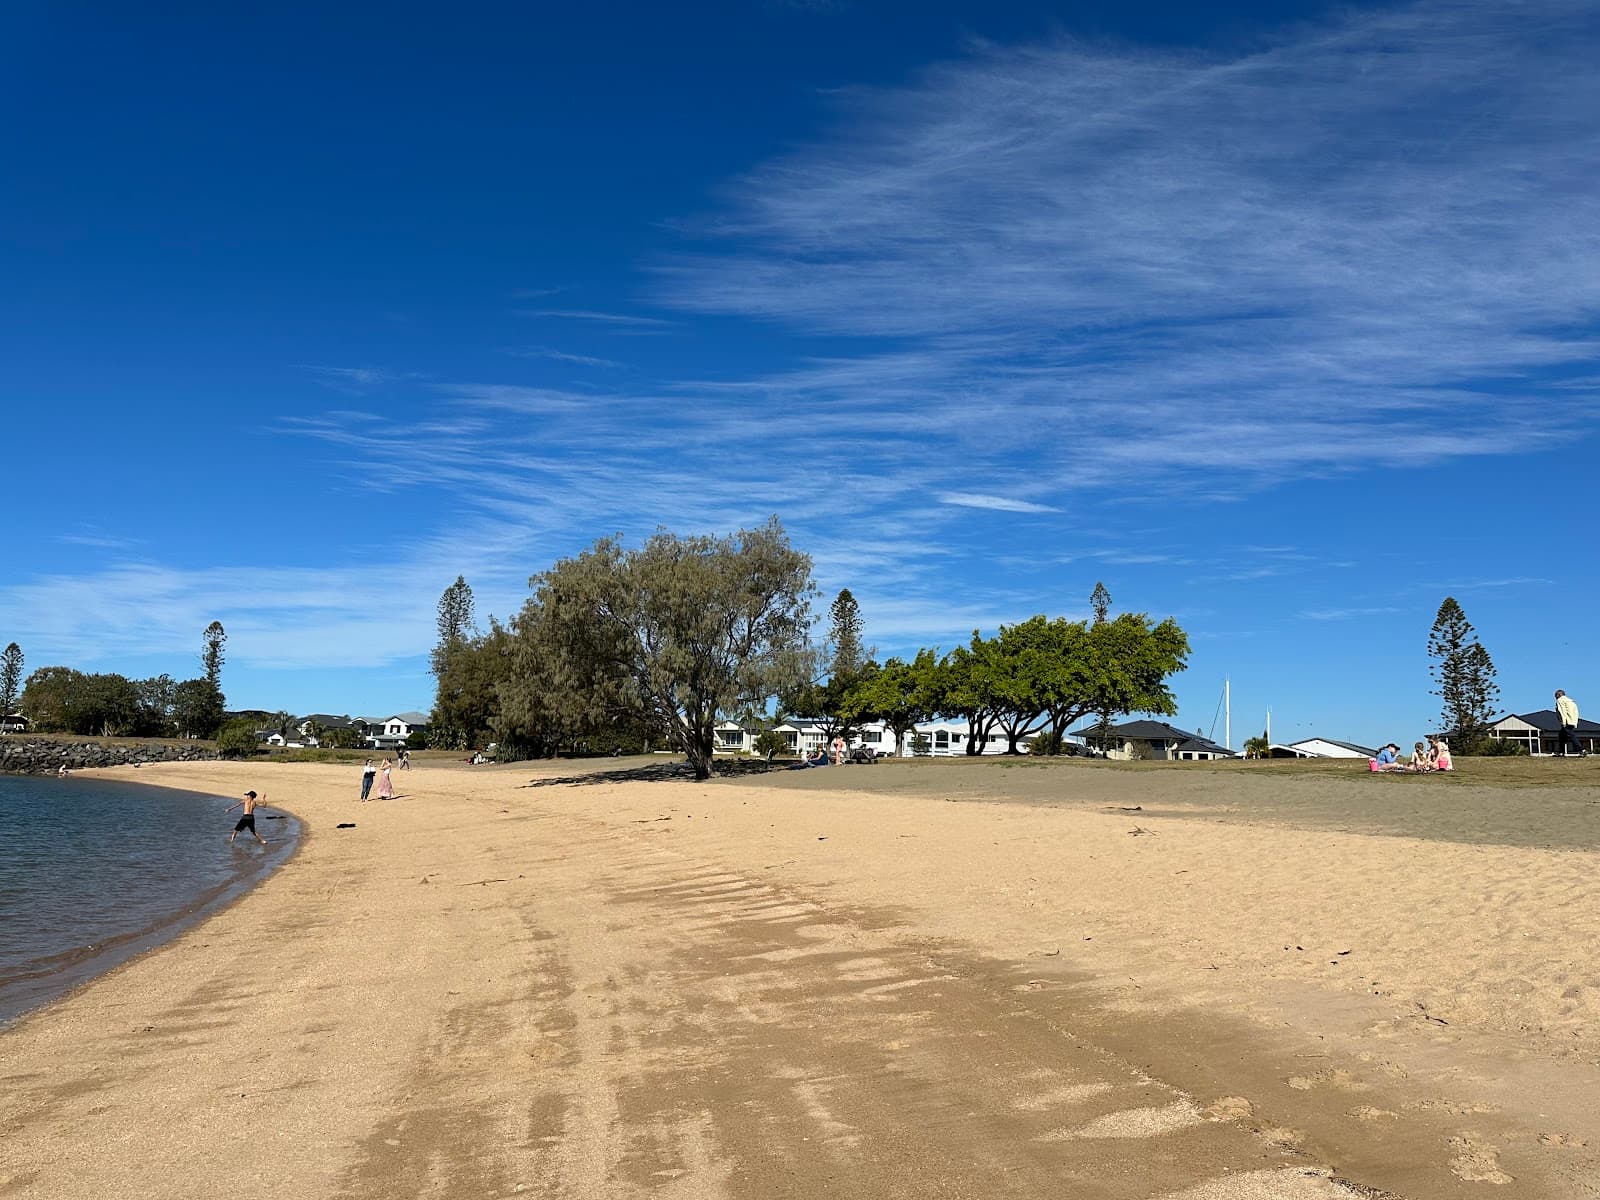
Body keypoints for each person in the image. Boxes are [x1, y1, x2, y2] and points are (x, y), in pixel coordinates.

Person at [1555, 689, 1586, 757]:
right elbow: (1576, 712)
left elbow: (1562, 711)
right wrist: (1575, 722)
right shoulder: (1572, 702)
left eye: (1555, 696)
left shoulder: (1560, 700)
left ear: (1558, 695)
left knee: (1572, 736)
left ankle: (1581, 750)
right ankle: (1561, 751)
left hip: (1566, 721)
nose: (1555, 698)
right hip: (1572, 721)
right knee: (1562, 735)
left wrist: (1563, 723)